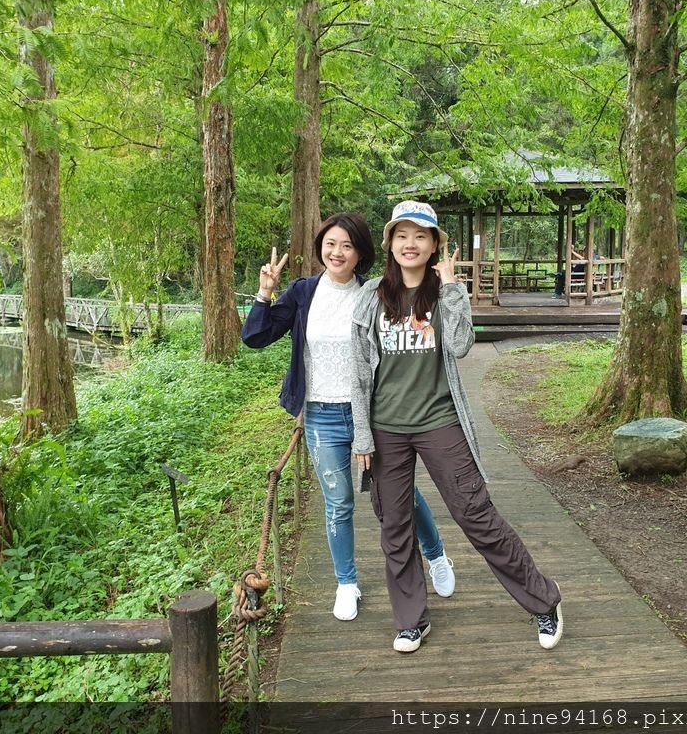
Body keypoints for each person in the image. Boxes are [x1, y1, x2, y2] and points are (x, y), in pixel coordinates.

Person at [350, 200, 563, 653]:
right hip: (386, 427)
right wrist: (362, 435)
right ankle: (410, 620)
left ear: (434, 245)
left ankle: (543, 601)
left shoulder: (447, 292)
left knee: (475, 513)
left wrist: (449, 288)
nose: (411, 243)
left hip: (440, 421)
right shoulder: (370, 296)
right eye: (402, 235)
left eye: (421, 236)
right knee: (395, 525)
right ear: (390, 242)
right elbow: (359, 370)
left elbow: (465, 345)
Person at [241, 211, 456, 622]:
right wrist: (265, 294)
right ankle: (346, 582)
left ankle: (436, 554)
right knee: (338, 504)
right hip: (321, 415)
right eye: (330, 244)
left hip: (372, 414)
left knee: (400, 494)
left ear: (361, 253)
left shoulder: (374, 295)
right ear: (321, 247)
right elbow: (255, 337)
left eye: (347, 245)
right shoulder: (303, 292)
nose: (337, 252)